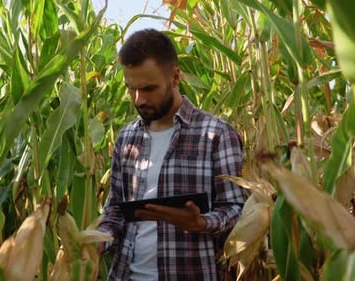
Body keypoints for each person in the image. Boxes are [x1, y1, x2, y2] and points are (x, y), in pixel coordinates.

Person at [98, 28, 247, 281]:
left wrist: (201, 223)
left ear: (175, 77)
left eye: (148, 89)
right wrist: (98, 241)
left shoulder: (217, 135)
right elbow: (115, 210)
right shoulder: (126, 139)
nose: (138, 99)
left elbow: (237, 210)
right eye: (131, 89)